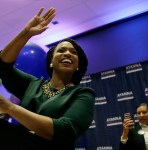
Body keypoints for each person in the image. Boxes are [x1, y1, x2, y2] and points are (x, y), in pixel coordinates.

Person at [0, 7, 95, 150]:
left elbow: (64, 130)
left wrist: (10, 108)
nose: (68, 53)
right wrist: (26, 33)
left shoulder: (82, 94)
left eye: (73, 52)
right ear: (51, 61)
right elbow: (3, 67)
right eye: (61, 50)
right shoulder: (32, 84)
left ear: (77, 66)